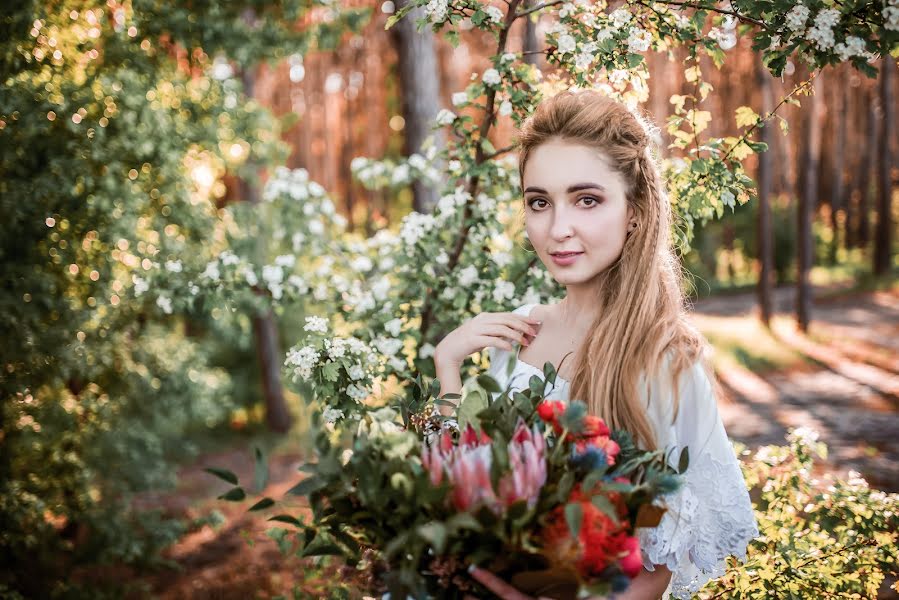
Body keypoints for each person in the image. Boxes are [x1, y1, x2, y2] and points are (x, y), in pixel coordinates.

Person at [433, 89, 758, 599]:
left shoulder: (665, 361)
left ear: (634, 210)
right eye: (539, 202)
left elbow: (657, 568)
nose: (558, 229)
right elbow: (461, 489)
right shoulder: (517, 332)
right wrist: (447, 366)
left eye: (587, 199)